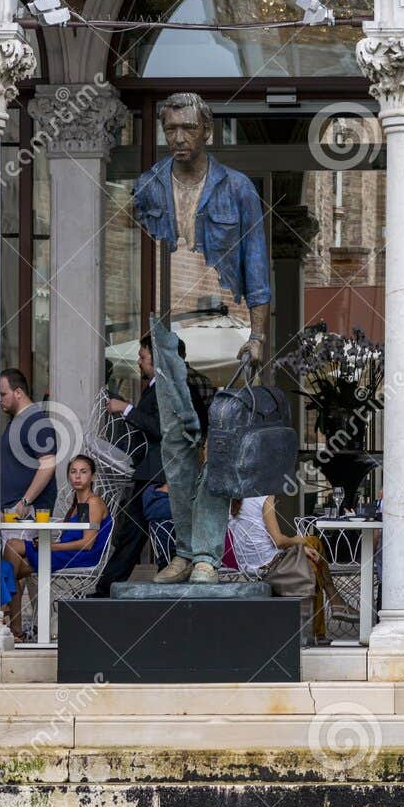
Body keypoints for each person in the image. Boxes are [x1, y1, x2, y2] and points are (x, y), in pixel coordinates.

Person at [133, 92, 271, 584]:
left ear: (206, 131)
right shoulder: (149, 186)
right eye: (171, 129)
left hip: (227, 323)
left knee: (220, 441)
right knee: (176, 441)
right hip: (169, 328)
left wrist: (258, 333)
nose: (179, 138)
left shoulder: (236, 189)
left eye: (188, 129)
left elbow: (257, 260)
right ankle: (184, 551)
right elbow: (138, 253)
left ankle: (209, 555)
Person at [95, 332, 213, 593]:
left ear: (157, 359)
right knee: (135, 534)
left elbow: (163, 430)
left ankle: (165, 587)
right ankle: (106, 590)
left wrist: (125, 409)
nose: (139, 361)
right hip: (152, 471)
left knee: (157, 533)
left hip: (160, 473)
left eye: (143, 356)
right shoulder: (164, 386)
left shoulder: (171, 387)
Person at [2, 455, 112, 637]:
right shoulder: (77, 505)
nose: (77, 476)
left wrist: (50, 547)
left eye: (83, 472)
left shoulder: (93, 502)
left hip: (80, 556)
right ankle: (16, 631)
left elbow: (87, 543)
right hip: (65, 553)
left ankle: (4, 611)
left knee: (13, 546)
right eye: (73, 472)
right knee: (13, 570)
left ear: (92, 477)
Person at [226, 494, 331, 642]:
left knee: (312, 555)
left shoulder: (230, 501)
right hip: (272, 566)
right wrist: (299, 541)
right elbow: (279, 541)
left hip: (247, 568)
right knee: (313, 543)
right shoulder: (264, 498)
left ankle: (327, 618)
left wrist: (298, 547)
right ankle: (331, 607)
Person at [0, 368, 57, 518]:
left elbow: (48, 464)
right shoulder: (16, 421)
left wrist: (25, 502)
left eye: (3, 394)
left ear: (18, 392)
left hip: (26, 513)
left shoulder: (36, 421)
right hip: (11, 511)